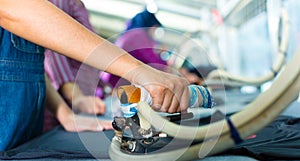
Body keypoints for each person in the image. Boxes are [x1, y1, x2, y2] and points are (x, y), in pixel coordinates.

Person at [0, 0, 190, 151]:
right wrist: (138, 71)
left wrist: (66, 114)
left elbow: (33, 61)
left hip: (24, 132)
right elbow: (17, 10)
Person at [43, 0, 108, 132]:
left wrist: (105, 86)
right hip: (63, 104)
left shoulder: (79, 5)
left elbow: (87, 57)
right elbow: (53, 49)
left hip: (78, 103)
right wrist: (76, 97)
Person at [104, 9, 202, 88]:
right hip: (116, 83)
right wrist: (182, 75)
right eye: (155, 29)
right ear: (150, 26)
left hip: (114, 80)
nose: (154, 32)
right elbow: (154, 64)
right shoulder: (138, 35)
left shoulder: (131, 34)